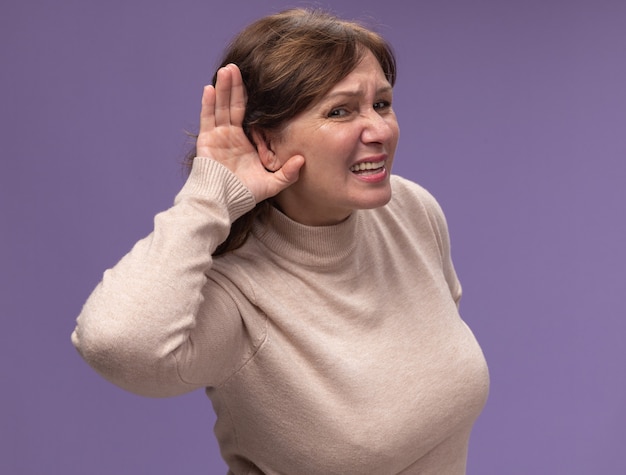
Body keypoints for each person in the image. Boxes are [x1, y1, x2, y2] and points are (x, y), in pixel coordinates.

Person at [71, 8, 489, 474]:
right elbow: (116, 344)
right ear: (266, 143)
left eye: (383, 104)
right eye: (341, 111)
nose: (379, 130)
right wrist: (208, 196)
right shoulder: (236, 294)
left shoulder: (410, 213)